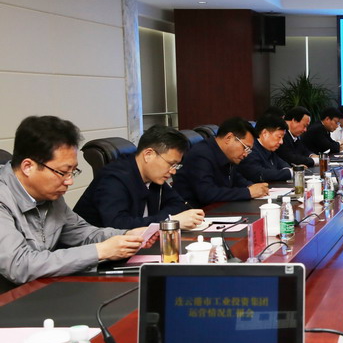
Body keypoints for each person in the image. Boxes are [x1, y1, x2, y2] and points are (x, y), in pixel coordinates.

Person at [0, 116, 147, 291]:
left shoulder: (50, 196)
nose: (69, 181)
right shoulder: (3, 198)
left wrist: (128, 235)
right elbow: (19, 265)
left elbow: (83, 234)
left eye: (72, 171)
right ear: (28, 167)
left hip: (42, 290)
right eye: (63, 172)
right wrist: (100, 251)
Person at [74, 126, 205, 230]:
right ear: (148, 154)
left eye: (176, 165)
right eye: (171, 164)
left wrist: (164, 219)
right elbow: (118, 225)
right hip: (95, 251)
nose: (173, 171)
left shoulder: (153, 176)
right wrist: (169, 220)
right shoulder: (113, 179)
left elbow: (179, 205)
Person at [172, 117, 269, 207]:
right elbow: (207, 194)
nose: (246, 154)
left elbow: (235, 178)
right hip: (193, 212)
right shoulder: (201, 154)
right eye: (245, 147)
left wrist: (251, 186)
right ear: (229, 138)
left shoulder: (227, 154)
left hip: (217, 209)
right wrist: (248, 192)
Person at [237, 115, 294, 183]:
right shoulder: (250, 149)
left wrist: (288, 170)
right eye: (279, 137)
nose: (281, 142)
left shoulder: (270, 149)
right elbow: (260, 174)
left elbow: (282, 164)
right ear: (265, 133)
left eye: (282, 138)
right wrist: (290, 172)